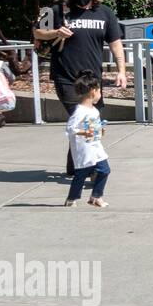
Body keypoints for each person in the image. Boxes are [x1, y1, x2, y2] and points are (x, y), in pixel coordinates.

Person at [32, 0, 128, 176]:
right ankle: (90, 168)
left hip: (92, 78)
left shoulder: (105, 13)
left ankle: (74, 166)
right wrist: (56, 32)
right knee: (86, 120)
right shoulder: (57, 9)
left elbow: (115, 43)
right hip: (65, 76)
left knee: (88, 123)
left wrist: (121, 71)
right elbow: (37, 33)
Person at [64, 72, 110, 208]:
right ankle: (71, 199)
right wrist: (84, 132)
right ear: (93, 91)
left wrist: (100, 130)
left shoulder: (94, 110)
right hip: (84, 150)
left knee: (105, 170)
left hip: (96, 146)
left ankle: (96, 196)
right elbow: (70, 129)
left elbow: (93, 125)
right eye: (99, 91)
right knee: (81, 175)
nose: (100, 94)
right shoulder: (80, 111)